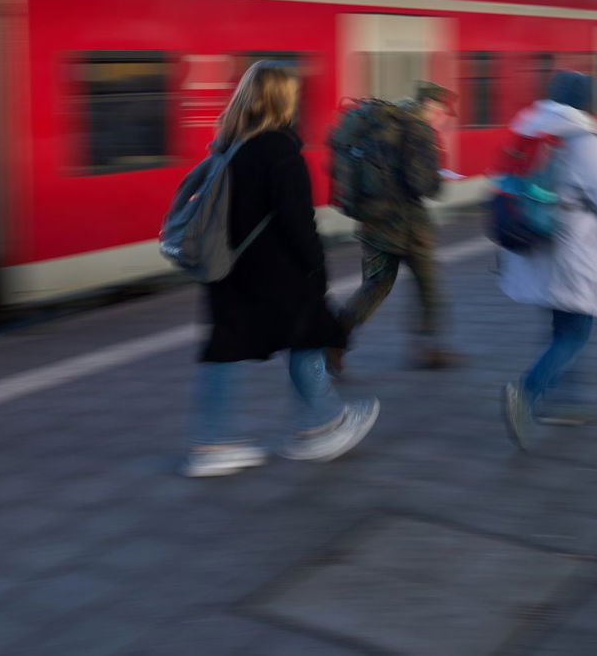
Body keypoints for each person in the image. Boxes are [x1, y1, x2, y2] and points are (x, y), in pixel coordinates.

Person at [184, 61, 378, 478]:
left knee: (225, 349)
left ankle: (213, 442)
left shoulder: (231, 143)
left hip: (230, 270)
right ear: (283, 98)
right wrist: (316, 269)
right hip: (275, 271)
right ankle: (321, 426)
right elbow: (297, 221)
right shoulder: (279, 149)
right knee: (308, 334)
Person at [499, 71, 597, 449]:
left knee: (561, 325)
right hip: (572, 245)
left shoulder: (530, 127)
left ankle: (564, 400)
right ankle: (527, 392)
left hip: (536, 244)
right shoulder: (585, 139)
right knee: (575, 332)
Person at [332, 82, 461, 373]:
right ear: (429, 105)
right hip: (408, 228)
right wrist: (437, 178)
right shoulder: (419, 131)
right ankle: (429, 348)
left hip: (373, 221)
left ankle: (334, 341)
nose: (442, 117)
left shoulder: (383, 122)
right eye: (441, 110)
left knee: (375, 285)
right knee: (429, 286)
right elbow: (422, 185)